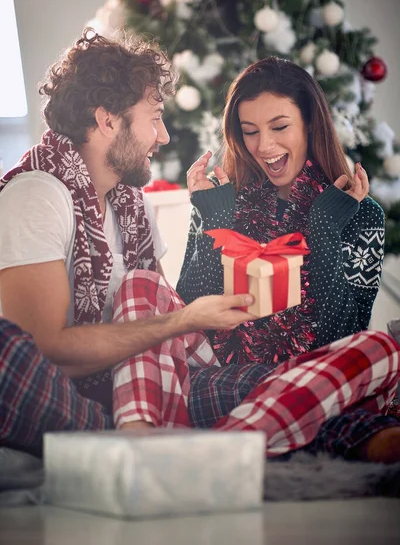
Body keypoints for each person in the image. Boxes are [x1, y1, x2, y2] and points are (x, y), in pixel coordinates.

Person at [113, 57, 400, 464]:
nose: (264, 146)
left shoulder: (359, 213)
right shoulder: (225, 202)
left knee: (377, 348)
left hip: (309, 378)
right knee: (141, 285)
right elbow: (190, 317)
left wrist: (323, 228)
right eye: (250, 132)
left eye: (280, 127)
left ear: (311, 125)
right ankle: (317, 429)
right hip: (227, 379)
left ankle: (214, 447)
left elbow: (342, 336)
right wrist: (214, 220)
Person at [0, 29, 256, 456]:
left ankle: (148, 440)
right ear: (107, 121)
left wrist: (211, 220)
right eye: (154, 117)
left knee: (287, 377)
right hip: (65, 400)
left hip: (138, 385)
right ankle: (142, 447)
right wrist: (180, 323)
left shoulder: (130, 203)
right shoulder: (37, 197)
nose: (164, 136)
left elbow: (162, 309)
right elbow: (44, 353)